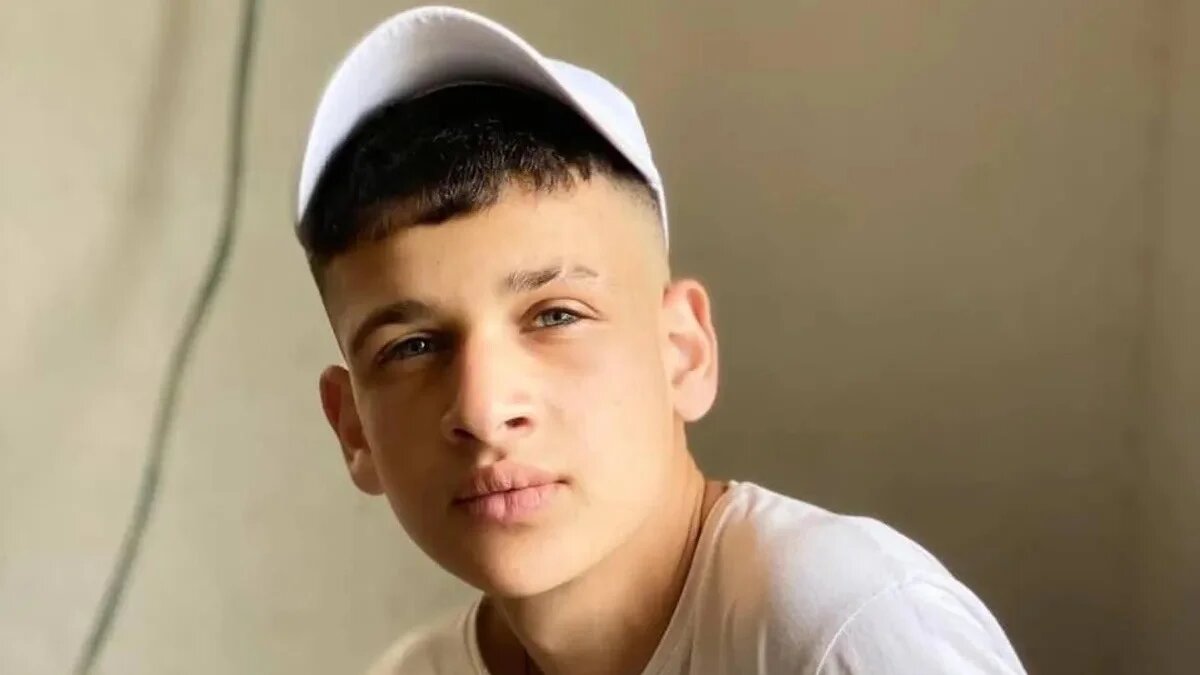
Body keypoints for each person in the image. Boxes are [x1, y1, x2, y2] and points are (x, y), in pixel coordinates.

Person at [295, 6, 1026, 674]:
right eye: (413, 347)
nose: (485, 411)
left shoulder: (839, 628)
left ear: (684, 351)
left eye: (556, 315)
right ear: (352, 428)